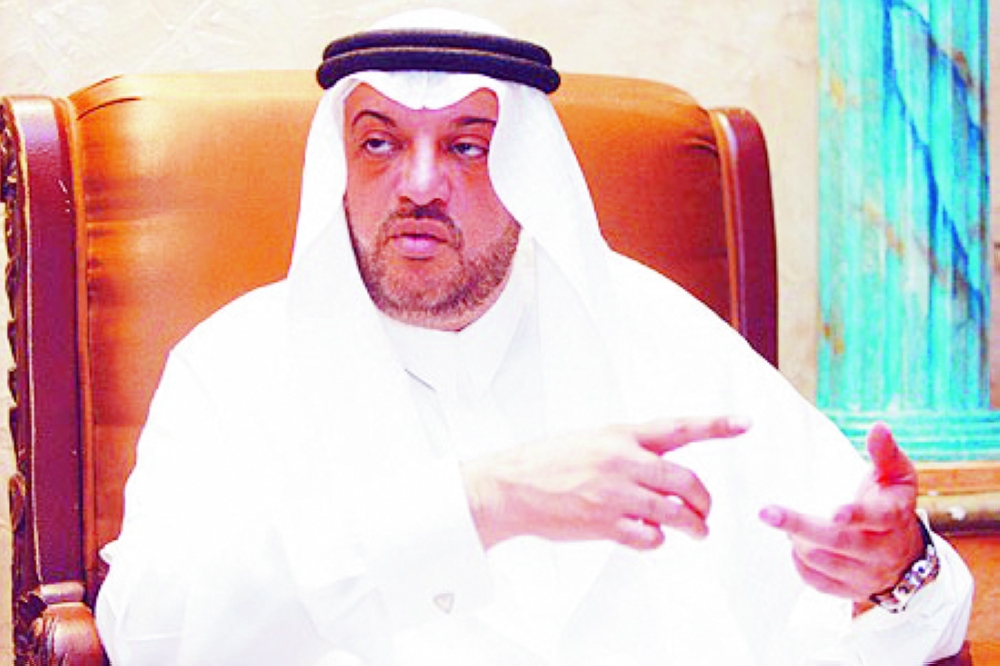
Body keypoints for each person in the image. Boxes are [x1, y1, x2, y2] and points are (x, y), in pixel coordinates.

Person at [95, 9, 973, 665]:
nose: (420, 184)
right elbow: (149, 633)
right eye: (381, 143)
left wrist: (896, 569)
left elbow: (878, 587)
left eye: (468, 146)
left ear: (527, 169)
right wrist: (480, 502)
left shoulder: (657, 333)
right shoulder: (235, 366)